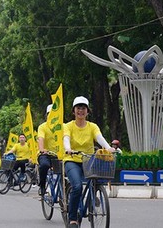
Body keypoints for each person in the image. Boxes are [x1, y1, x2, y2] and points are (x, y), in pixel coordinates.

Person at [63, 96, 114, 228]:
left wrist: (108, 148)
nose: (81, 111)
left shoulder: (92, 126)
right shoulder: (68, 126)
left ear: (87, 111)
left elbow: (99, 138)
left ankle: (92, 196)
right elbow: (66, 138)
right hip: (72, 160)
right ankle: (73, 219)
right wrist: (68, 148)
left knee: (98, 178)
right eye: (78, 108)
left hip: (88, 160)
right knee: (77, 186)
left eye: (83, 108)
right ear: (73, 111)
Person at [37, 104, 56, 196]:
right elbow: (41, 138)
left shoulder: (64, 126)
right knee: (44, 165)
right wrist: (42, 149)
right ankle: (42, 186)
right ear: (47, 115)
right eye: (50, 114)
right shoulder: (43, 127)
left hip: (59, 154)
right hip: (46, 154)